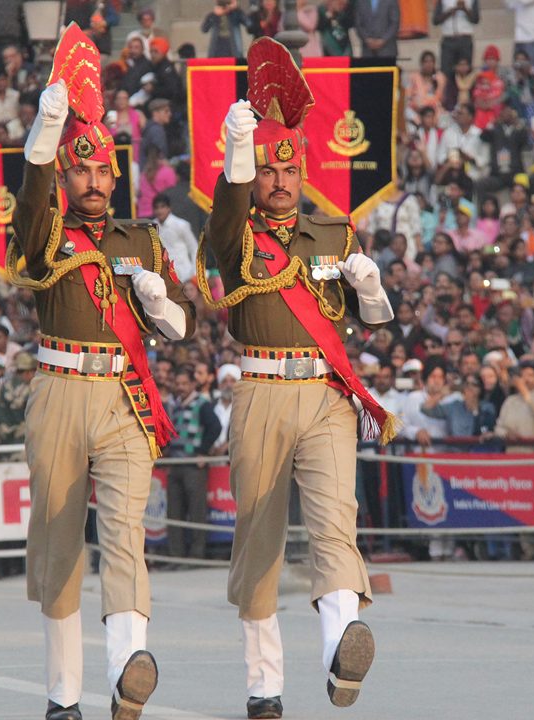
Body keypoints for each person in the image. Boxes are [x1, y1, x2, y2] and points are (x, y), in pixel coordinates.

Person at [198, 39, 395, 718]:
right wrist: (233, 155)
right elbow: (224, 218)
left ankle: (343, 652)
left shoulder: (335, 236)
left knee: (336, 522)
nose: (280, 180)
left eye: (290, 168)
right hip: (260, 391)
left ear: (303, 169)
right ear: (254, 174)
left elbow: (370, 321)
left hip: (325, 393)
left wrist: (371, 290)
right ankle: (264, 685)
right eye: (267, 170)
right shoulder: (236, 239)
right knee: (259, 540)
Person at [3, 26, 195, 720]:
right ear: (65, 173)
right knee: (58, 547)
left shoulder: (141, 237)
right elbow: (27, 230)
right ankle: (63, 697)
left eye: (101, 171)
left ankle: (125, 670)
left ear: (116, 176)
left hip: (122, 396)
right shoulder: (48, 232)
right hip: (58, 391)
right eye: (78, 170)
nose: (92, 181)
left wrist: (160, 302)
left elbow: (186, 323)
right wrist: (44, 135)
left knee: (125, 534)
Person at [163, 365, 222, 561]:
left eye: (184, 383)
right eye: (178, 383)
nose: (180, 387)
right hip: (175, 464)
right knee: (174, 513)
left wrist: (203, 451)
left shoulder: (202, 404)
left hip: (193, 466)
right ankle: (175, 556)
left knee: (197, 512)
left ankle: (197, 555)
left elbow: (216, 427)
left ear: (192, 384)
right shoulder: (175, 405)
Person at [493, 363, 534, 451]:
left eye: (530, 375)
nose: (525, 379)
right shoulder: (510, 401)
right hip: (514, 454)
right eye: (522, 375)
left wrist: (524, 391)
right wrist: (506, 434)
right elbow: (498, 427)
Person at [0, 351, 35, 447]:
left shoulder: (0, 388)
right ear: (28, 372)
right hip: (26, 444)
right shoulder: (32, 389)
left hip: (4, 444)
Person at [432, 0, 478, 79]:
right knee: (446, 73)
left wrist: (464, 9)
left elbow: (476, 19)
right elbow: (435, 20)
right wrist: (450, 12)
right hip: (449, 40)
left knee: (466, 74)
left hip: (465, 40)